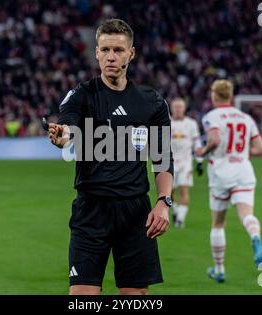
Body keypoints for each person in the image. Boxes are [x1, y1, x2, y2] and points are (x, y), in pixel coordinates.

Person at [47, 19, 174, 295]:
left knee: (135, 297)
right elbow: (68, 125)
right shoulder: (82, 94)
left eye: (118, 50)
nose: (111, 57)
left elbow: (163, 158)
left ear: (131, 53)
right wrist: (63, 136)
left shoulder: (151, 102)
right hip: (92, 211)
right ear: (96, 53)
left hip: (135, 213)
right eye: (105, 50)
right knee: (82, 297)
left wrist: (164, 201)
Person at [197, 80, 262, 283]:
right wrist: (241, 153)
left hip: (221, 171)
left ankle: (219, 269)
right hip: (244, 169)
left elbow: (215, 140)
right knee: (247, 214)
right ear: (231, 95)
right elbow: (260, 148)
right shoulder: (246, 118)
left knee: (218, 222)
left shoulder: (212, 116)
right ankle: (255, 237)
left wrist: (203, 152)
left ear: (214, 95)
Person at [170, 97, 203, 228]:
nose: (178, 109)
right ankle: (176, 210)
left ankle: (180, 220)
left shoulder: (191, 124)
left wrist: (200, 161)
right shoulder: (166, 122)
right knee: (168, 193)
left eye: (180, 107)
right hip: (168, 162)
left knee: (184, 190)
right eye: (176, 107)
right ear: (172, 108)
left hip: (185, 163)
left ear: (184, 108)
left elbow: (197, 142)